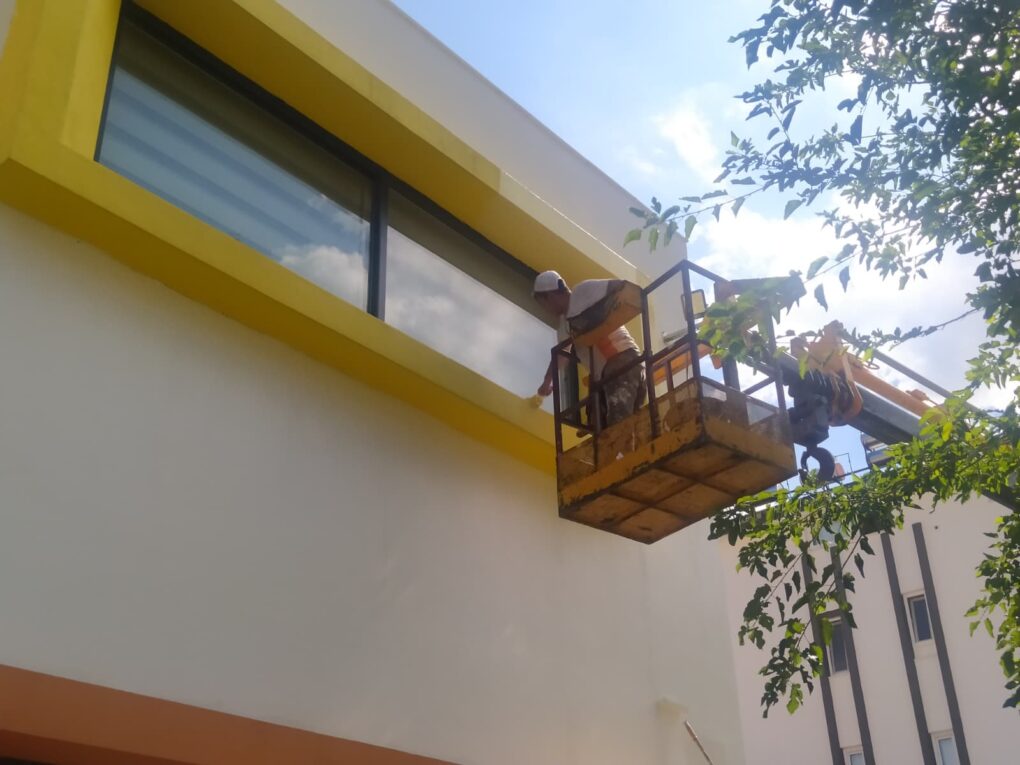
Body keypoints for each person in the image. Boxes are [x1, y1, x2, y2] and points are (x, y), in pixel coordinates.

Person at [533, 270, 646, 427]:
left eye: (543, 304)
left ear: (550, 296)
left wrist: (599, 316)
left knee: (618, 424)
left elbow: (618, 286)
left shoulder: (582, 292)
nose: (546, 309)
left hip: (620, 359)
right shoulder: (564, 324)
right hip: (605, 374)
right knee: (603, 425)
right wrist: (547, 381)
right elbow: (561, 355)